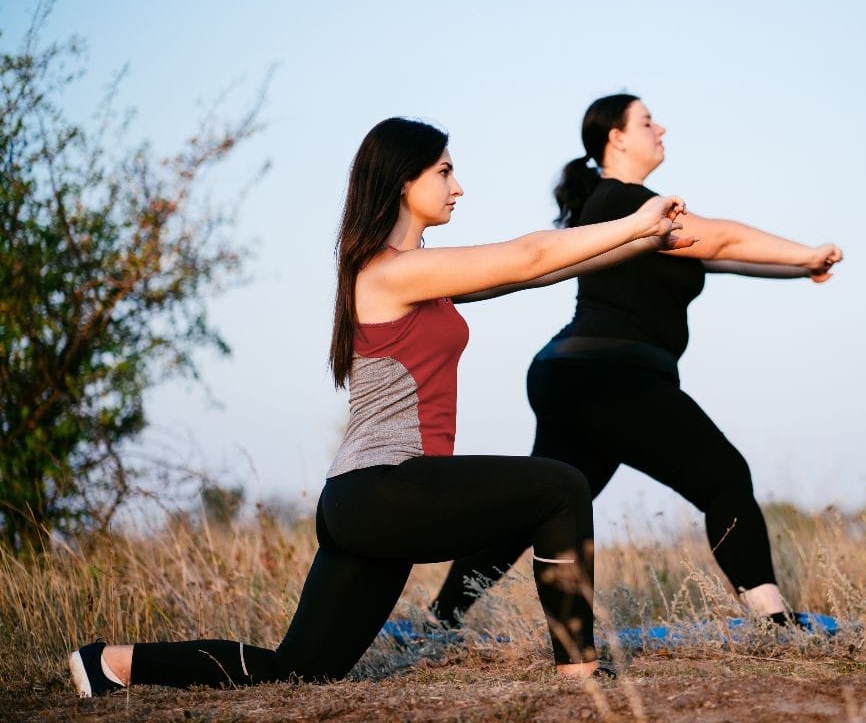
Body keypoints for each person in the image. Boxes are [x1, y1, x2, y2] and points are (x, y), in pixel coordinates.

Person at [67, 116, 693, 697]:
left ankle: (110, 664)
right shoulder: (387, 272)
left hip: (364, 500)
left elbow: (531, 274)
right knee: (562, 487)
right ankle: (579, 670)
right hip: (385, 488)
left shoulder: (413, 275)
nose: (459, 187)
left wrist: (643, 242)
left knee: (300, 669)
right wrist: (637, 220)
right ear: (403, 180)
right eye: (444, 172)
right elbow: (528, 254)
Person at [429, 94, 843, 629]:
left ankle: (440, 619)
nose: (661, 128)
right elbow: (725, 237)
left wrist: (799, 268)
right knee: (724, 478)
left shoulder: (621, 207)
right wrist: (806, 252)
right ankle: (775, 623)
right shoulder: (624, 201)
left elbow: (728, 257)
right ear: (616, 138)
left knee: (545, 505)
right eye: (647, 121)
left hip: (575, 375)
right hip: (611, 376)